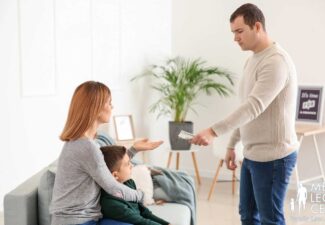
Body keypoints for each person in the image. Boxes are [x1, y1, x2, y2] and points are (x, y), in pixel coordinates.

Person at [191, 3, 299, 225]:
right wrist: (232, 145)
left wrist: (213, 131)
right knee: (248, 216)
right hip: (253, 154)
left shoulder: (276, 61)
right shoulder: (252, 60)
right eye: (233, 33)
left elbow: (253, 106)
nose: (235, 38)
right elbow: (246, 108)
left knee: (270, 219)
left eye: (239, 31)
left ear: (257, 26)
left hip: (273, 157)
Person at [50, 81, 163, 225]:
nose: (112, 107)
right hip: (76, 221)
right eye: (109, 103)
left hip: (84, 218)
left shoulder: (81, 142)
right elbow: (114, 188)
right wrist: (141, 196)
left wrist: (134, 149)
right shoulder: (86, 146)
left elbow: (108, 167)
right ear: (95, 108)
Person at [99, 145, 171, 225]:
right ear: (115, 175)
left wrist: (166, 223)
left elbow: (144, 212)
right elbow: (141, 221)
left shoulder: (129, 183)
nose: (132, 166)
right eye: (127, 164)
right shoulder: (111, 204)